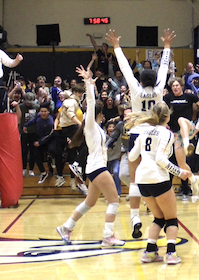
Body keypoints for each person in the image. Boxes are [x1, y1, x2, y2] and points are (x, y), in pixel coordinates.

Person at [107, 28, 174, 239]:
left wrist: (116, 47)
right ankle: (161, 216)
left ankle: (135, 218)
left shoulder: (135, 90)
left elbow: (126, 69)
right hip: (158, 134)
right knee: (159, 174)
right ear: (155, 81)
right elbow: (164, 69)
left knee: (135, 179)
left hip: (137, 134)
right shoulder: (160, 87)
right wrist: (167, 47)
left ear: (141, 80)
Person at [55, 65, 124, 248]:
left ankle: (66, 227)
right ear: (99, 115)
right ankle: (108, 236)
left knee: (90, 202)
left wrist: (91, 84)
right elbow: (91, 104)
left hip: (93, 168)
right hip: (98, 168)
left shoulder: (97, 129)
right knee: (114, 201)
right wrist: (88, 83)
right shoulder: (91, 126)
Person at [127, 102, 191, 265]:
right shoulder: (167, 133)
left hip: (141, 179)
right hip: (158, 178)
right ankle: (171, 253)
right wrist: (180, 172)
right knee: (171, 219)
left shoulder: (143, 132)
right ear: (168, 116)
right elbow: (160, 159)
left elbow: (132, 157)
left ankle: (149, 252)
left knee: (159, 218)